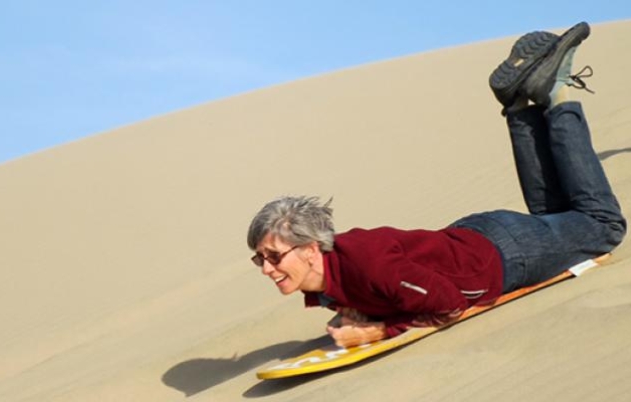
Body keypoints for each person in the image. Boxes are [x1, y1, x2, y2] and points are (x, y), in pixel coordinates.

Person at [246, 22, 626, 348]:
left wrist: (377, 331)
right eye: (260, 258)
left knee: (603, 224)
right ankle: (519, 104)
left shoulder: (366, 264)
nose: (266, 268)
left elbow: (447, 303)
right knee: (557, 217)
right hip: (481, 241)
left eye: (274, 256)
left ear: (312, 249)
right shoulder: (328, 282)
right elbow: (400, 288)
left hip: (504, 257)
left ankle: (558, 91)